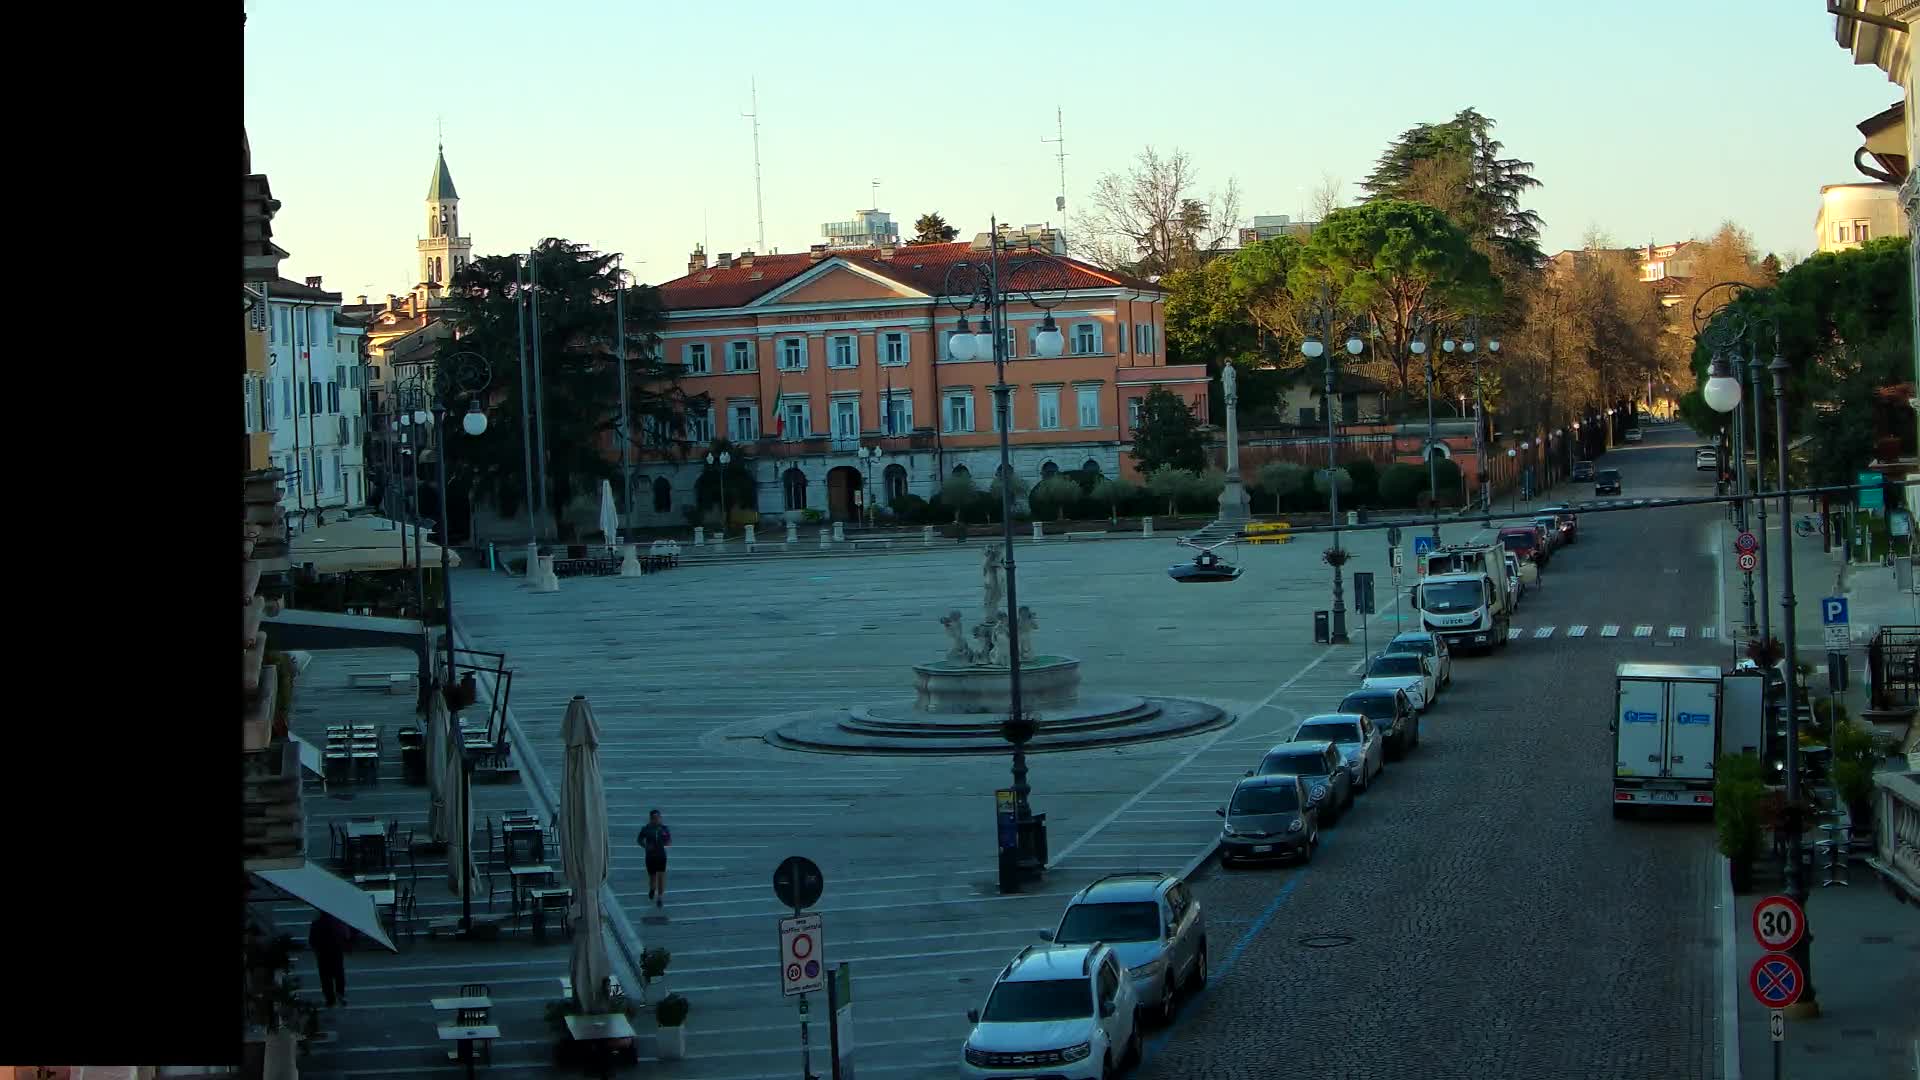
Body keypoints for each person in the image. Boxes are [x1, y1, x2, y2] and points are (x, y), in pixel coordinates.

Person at [309, 912, 353, 1008]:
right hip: (336, 951)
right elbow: (347, 935)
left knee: (325, 977)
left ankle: (330, 999)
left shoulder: (316, 923)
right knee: (339, 974)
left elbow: (312, 942)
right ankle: (340, 994)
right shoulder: (339, 922)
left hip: (322, 952)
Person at [638, 809, 672, 907]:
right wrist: (646, 846)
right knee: (652, 877)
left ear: (660, 818)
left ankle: (660, 897)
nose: (656, 820)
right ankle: (652, 889)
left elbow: (669, 840)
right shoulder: (646, 829)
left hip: (661, 856)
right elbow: (639, 840)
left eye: (658, 818)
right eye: (654, 818)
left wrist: (667, 841)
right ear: (651, 819)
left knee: (661, 877)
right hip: (650, 856)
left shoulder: (664, 829)